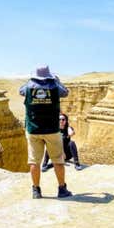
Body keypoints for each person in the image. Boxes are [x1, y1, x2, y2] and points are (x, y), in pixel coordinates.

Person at [19, 65, 74, 199]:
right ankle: (62, 189)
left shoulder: (28, 87)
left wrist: (31, 81)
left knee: (34, 161)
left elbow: (20, 91)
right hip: (52, 130)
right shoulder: (55, 86)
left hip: (33, 129)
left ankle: (36, 190)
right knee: (58, 161)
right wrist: (57, 81)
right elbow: (65, 92)